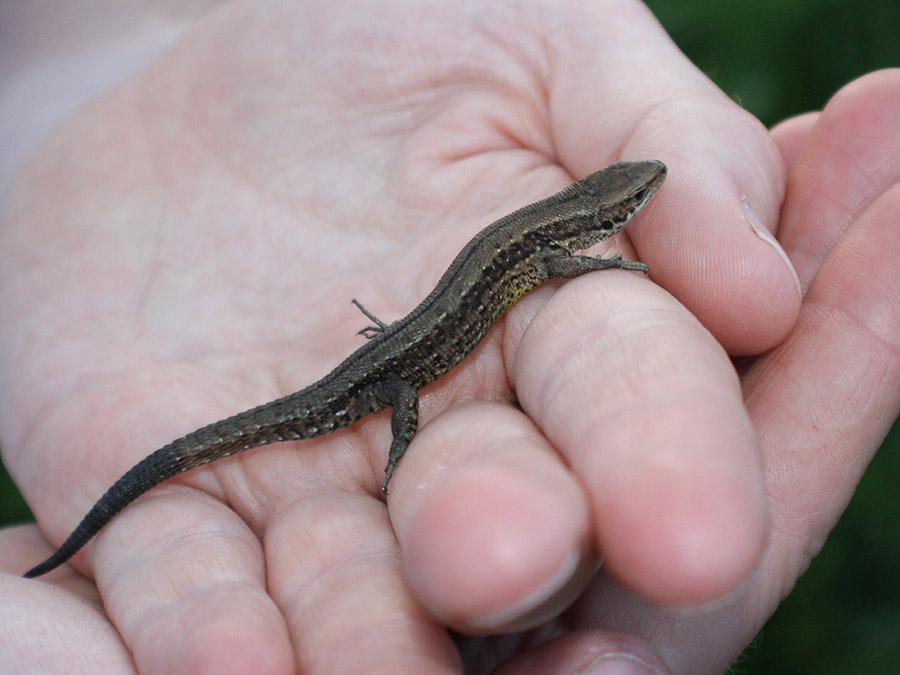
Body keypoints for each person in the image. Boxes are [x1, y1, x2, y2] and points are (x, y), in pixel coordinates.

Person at [1, 2, 898, 673]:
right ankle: (392, 446)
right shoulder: (553, 245)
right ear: (603, 213)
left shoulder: (550, 226)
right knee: (383, 403)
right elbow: (548, 268)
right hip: (381, 377)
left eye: (631, 203)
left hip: (391, 348)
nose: (641, 202)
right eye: (628, 205)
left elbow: (541, 259)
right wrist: (610, 268)